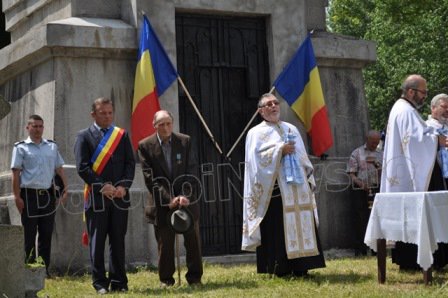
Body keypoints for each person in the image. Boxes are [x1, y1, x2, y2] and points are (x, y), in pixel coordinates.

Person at [241, 93, 326, 277]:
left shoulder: (291, 129)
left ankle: (302, 267)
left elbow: (302, 155)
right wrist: (280, 150)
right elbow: (256, 161)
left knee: (302, 221)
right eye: (268, 104)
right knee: (277, 228)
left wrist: (307, 172)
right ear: (261, 111)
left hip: (297, 187)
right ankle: (280, 268)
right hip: (274, 189)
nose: (273, 106)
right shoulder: (255, 133)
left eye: (275, 103)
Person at [381, 74, 448, 270]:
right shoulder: (405, 111)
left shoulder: (403, 109)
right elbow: (415, 140)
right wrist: (437, 141)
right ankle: (415, 260)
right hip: (410, 174)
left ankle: (415, 259)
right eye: (423, 92)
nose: (425, 97)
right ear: (411, 91)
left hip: (407, 170)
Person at [74, 97, 135, 294]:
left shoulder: (122, 135)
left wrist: (124, 187)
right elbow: (82, 167)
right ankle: (100, 283)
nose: (107, 116)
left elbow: (129, 164)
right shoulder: (84, 136)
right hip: (97, 198)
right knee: (97, 242)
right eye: (103, 113)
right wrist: (102, 186)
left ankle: (119, 282)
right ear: (93, 114)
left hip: (119, 197)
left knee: (118, 240)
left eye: (110, 113)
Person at [138, 110, 203, 287]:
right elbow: (150, 178)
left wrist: (184, 196)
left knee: (193, 242)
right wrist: (169, 199)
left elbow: (191, 170)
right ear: (154, 126)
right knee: (165, 245)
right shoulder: (145, 145)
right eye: (161, 124)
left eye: (168, 123)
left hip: (187, 201)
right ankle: (166, 280)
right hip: (162, 204)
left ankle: (195, 278)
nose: (166, 128)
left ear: (172, 123)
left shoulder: (185, 141)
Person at [11, 114, 68, 277]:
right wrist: (16, 197)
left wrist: (66, 188)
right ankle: (29, 270)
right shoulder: (20, 147)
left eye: (40, 126)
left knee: (46, 233)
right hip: (28, 196)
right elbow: (15, 173)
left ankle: (43, 271)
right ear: (28, 128)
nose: (38, 129)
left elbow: (59, 168)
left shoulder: (51, 146)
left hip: (47, 196)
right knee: (29, 234)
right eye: (34, 126)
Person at [347, 130, 383, 256]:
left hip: (376, 189)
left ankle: (376, 249)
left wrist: (376, 164)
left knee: (375, 219)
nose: (375, 145)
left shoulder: (381, 153)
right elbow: (351, 173)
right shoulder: (357, 153)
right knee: (360, 218)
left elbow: (386, 172)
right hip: (359, 190)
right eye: (373, 142)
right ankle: (360, 249)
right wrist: (361, 184)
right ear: (367, 140)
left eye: (377, 143)